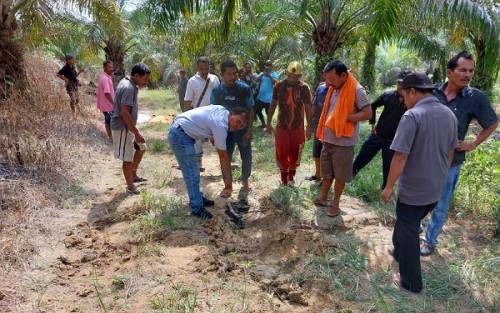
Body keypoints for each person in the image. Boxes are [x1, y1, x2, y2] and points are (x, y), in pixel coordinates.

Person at [381, 72, 458, 294]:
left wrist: (387, 187)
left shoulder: (412, 116)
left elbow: (400, 156)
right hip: (436, 186)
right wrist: (441, 174)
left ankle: (411, 282)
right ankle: (398, 251)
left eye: (404, 94)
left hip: (414, 189)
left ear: (413, 92)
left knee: (409, 227)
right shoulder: (449, 114)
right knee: (406, 222)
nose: (403, 99)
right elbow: (451, 151)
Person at [420, 51, 499, 256]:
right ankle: (415, 226)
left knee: (441, 202)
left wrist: (472, 144)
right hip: (423, 156)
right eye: (462, 70)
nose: (467, 74)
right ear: (449, 71)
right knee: (419, 194)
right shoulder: (431, 91)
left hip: (450, 161)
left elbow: (492, 123)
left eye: (471, 71)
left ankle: (430, 241)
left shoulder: (475, 98)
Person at [168, 106, 249, 219]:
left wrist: (211, 135)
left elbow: (207, 118)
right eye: (238, 121)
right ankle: (196, 208)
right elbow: (223, 156)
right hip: (180, 135)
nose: (237, 126)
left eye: (241, 125)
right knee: (192, 172)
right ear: (231, 114)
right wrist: (228, 186)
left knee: (194, 171)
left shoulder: (221, 110)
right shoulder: (221, 125)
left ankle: (197, 197)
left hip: (180, 127)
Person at [315, 61, 372, 217]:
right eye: (328, 80)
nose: (329, 83)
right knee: (327, 172)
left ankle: (335, 204)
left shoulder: (357, 90)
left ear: (343, 75)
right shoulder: (333, 88)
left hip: (344, 142)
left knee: (340, 175)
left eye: (332, 79)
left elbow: (368, 113)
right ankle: (323, 198)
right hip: (329, 139)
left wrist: (346, 118)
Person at [352, 70, 411, 189]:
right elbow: (372, 106)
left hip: (393, 141)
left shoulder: (412, 102)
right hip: (377, 135)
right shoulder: (388, 95)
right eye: (399, 83)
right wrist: (372, 124)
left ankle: (385, 190)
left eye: (403, 84)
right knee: (362, 157)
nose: (400, 86)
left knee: (388, 166)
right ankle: (349, 177)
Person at [211, 60, 255, 192]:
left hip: (242, 131)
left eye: (235, 73)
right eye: (229, 74)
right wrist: (213, 134)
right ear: (222, 75)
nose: (232, 77)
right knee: (225, 158)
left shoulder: (244, 89)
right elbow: (213, 112)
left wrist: (249, 130)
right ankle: (227, 185)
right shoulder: (217, 91)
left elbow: (251, 109)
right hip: (225, 132)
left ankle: (245, 180)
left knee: (246, 156)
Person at [266, 61, 312, 185]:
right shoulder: (279, 86)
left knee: (296, 152)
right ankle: (284, 179)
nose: (291, 79)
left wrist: (309, 127)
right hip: (282, 126)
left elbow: (308, 107)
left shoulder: (304, 88)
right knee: (281, 151)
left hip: (298, 127)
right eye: (290, 76)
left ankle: (291, 177)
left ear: (300, 76)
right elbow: (273, 104)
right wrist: (268, 122)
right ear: (286, 73)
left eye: (295, 77)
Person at [110, 63, 151, 195]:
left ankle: (133, 176)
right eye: (144, 79)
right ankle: (130, 186)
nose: (146, 82)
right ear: (136, 75)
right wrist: (136, 132)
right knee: (127, 158)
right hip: (122, 127)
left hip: (128, 126)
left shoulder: (130, 84)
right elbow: (124, 113)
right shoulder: (128, 88)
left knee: (141, 148)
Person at [184, 57, 221, 171]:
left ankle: (225, 162)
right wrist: (187, 118)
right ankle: (198, 163)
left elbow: (220, 94)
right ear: (197, 68)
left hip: (214, 115)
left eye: (206, 68)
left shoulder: (214, 79)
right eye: (202, 69)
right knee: (197, 142)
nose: (205, 71)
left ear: (209, 67)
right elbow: (187, 101)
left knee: (219, 139)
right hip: (198, 116)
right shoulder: (192, 81)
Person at [305, 79, 328, 182]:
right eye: (327, 74)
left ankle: (326, 179)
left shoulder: (338, 90)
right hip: (319, 127)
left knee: (327, 155)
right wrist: (308, 125)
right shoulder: (321, 89)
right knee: (316, 152)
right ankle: (318, 175)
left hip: (330, 129)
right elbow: (314, 107)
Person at [255, 60, 279, 128]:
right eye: (267, 65)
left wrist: (269, 76)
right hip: (260, 97)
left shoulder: (274, 74)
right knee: (257, 111)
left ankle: (269, 125)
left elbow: (276, 83)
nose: (268, 66)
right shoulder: (262, 73)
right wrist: (263, 74)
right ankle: (263, 123)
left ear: (272, 66)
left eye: (269, 65)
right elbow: (256, 80)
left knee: (268, 113)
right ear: (265, 66)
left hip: (269, 98)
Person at [96, 60, 115, 142]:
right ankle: (110, 137)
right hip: (107, 105)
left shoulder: (104, 76)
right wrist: (114, 103)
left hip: (105, 104)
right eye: (109, 67)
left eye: (112, 67)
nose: (111, 69)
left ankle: (111, 136)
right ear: (104, 67)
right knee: (108, 121)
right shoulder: (105, 79)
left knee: (108, 120)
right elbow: (107, 93)